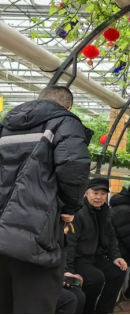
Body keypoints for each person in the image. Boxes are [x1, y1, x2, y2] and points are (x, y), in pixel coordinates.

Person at [0, 86, 92, 314]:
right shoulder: (65, 122)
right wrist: (70, 207)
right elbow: (74, 167)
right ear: (68, 107)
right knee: (35, 303)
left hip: (2, 232)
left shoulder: (7, 124)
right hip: (37, 232)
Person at [65, 178, 129, 313]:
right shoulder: (79, 212)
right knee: (95, 278)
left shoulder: (105, 211)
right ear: (86, 193)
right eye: (95, 193)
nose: (99, 197)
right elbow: (69, 243)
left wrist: (116, 256)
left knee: (118, 272)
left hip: (96, 256)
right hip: (79, 258)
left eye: (103, 194)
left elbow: (111, 236)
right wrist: (69, 270)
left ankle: (103, 310)